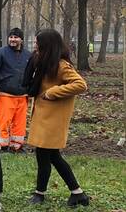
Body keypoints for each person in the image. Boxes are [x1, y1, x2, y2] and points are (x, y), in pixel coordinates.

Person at [23, 29, 90, 207]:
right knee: (50, 156)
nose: (35, 46)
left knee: (48, 156)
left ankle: (42, 194)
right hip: (44, 117)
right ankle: (76, 193)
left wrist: (53, 92)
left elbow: (80, 84)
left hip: (52, 119)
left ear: (48, 45)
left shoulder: (61, 65)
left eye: (38, 43)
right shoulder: (46, 62)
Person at [0, 27, 32, 151]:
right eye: (11, 37)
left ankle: (16, 146)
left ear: (21, 39)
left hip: (22, 95)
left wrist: (32, 90)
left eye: (16, 37)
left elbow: (32, 73)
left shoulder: (28, 55)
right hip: (5, 94)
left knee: (20, 122)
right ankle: (2, 145)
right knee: (4, 121)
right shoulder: (0, 53)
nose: (12, 39)